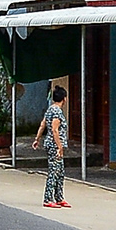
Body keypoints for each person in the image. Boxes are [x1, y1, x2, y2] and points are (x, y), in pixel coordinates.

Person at [37, 78, 72, 207]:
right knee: (53, 172)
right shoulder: (57, 112)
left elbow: (42, 124)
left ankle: (59, 197)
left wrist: (37, 139)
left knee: (60, 172)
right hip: (54, 145)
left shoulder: (50, 109)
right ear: (64, 99)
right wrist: (59, 147)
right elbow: (55, 130)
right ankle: (48, 199)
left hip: (51, 143)